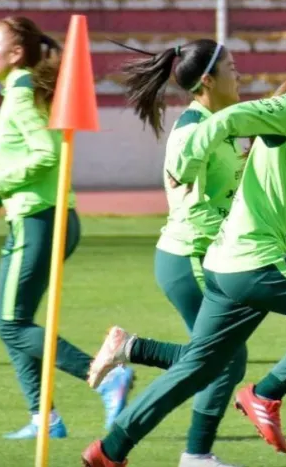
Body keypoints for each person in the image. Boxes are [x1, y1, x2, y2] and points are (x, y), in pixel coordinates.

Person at [80, 27, 286, 467]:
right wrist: (184, 158)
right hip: (249, 259)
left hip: (227, 261)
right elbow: (228, 120)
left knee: (202, 366)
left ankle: (109, 451)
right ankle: (263, 396)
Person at [86, 38, 247, 467]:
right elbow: (180, 169)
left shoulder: (223, 122)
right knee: (222, 359)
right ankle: (193, 456)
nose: (240, 74)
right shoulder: (194, 127)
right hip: (189, 257)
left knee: (220, 358)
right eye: (232, 67)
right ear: (208, 79)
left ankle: (133, 350)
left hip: (208, 256)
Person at [0, 16, 128, 438]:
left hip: (40, 219)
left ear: (14, 54)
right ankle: (43, 417)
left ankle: (103, 376)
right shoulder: (18, 90)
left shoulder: (22, 92)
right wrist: (3, 184)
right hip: (35, 217)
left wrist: (0, 180)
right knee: (14, 321)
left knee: (11, 323)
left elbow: (47, 153)